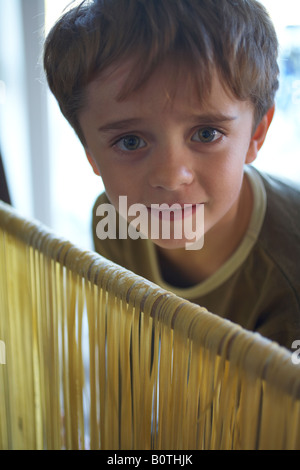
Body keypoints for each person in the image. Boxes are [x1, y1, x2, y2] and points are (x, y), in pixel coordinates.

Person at [44, 0, 300, 351]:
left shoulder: (290, 271)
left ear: (256, 135)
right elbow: (128, 362)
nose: (171, 176)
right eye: (130, 141)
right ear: (92, 154)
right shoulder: (114, 225)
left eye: (207, 133)